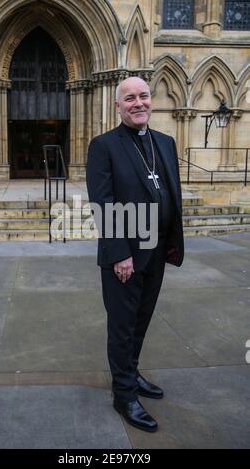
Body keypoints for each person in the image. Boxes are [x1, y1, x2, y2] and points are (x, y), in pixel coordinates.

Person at [86, 77, 184, 432]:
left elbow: (170, 192)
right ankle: (124, 394)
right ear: (118, 105)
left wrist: (172, 241)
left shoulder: (165, 143)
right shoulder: (104, 146)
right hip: (124, 257)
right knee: (123, 326)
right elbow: (103, 202)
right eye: (130, 98)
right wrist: (120, 254)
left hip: (157, 252)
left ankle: (132, 373)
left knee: (141, 322)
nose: (138, 102)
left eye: (143, 96)